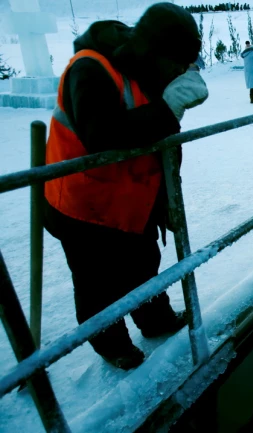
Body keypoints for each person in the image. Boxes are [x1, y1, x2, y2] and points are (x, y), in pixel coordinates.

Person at [43, 3, 209, 370]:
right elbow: (102, 135)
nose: (179, 73)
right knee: (96, 283)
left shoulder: (148, 72)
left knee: (143, 263)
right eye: (176, 65)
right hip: (83, 205)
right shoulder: (90, 68)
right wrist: (169, 108)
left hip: (133, 200)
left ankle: (155, 320)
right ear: (153, 53)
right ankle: (112, 344)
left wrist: (166, 200)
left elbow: (164, 144)